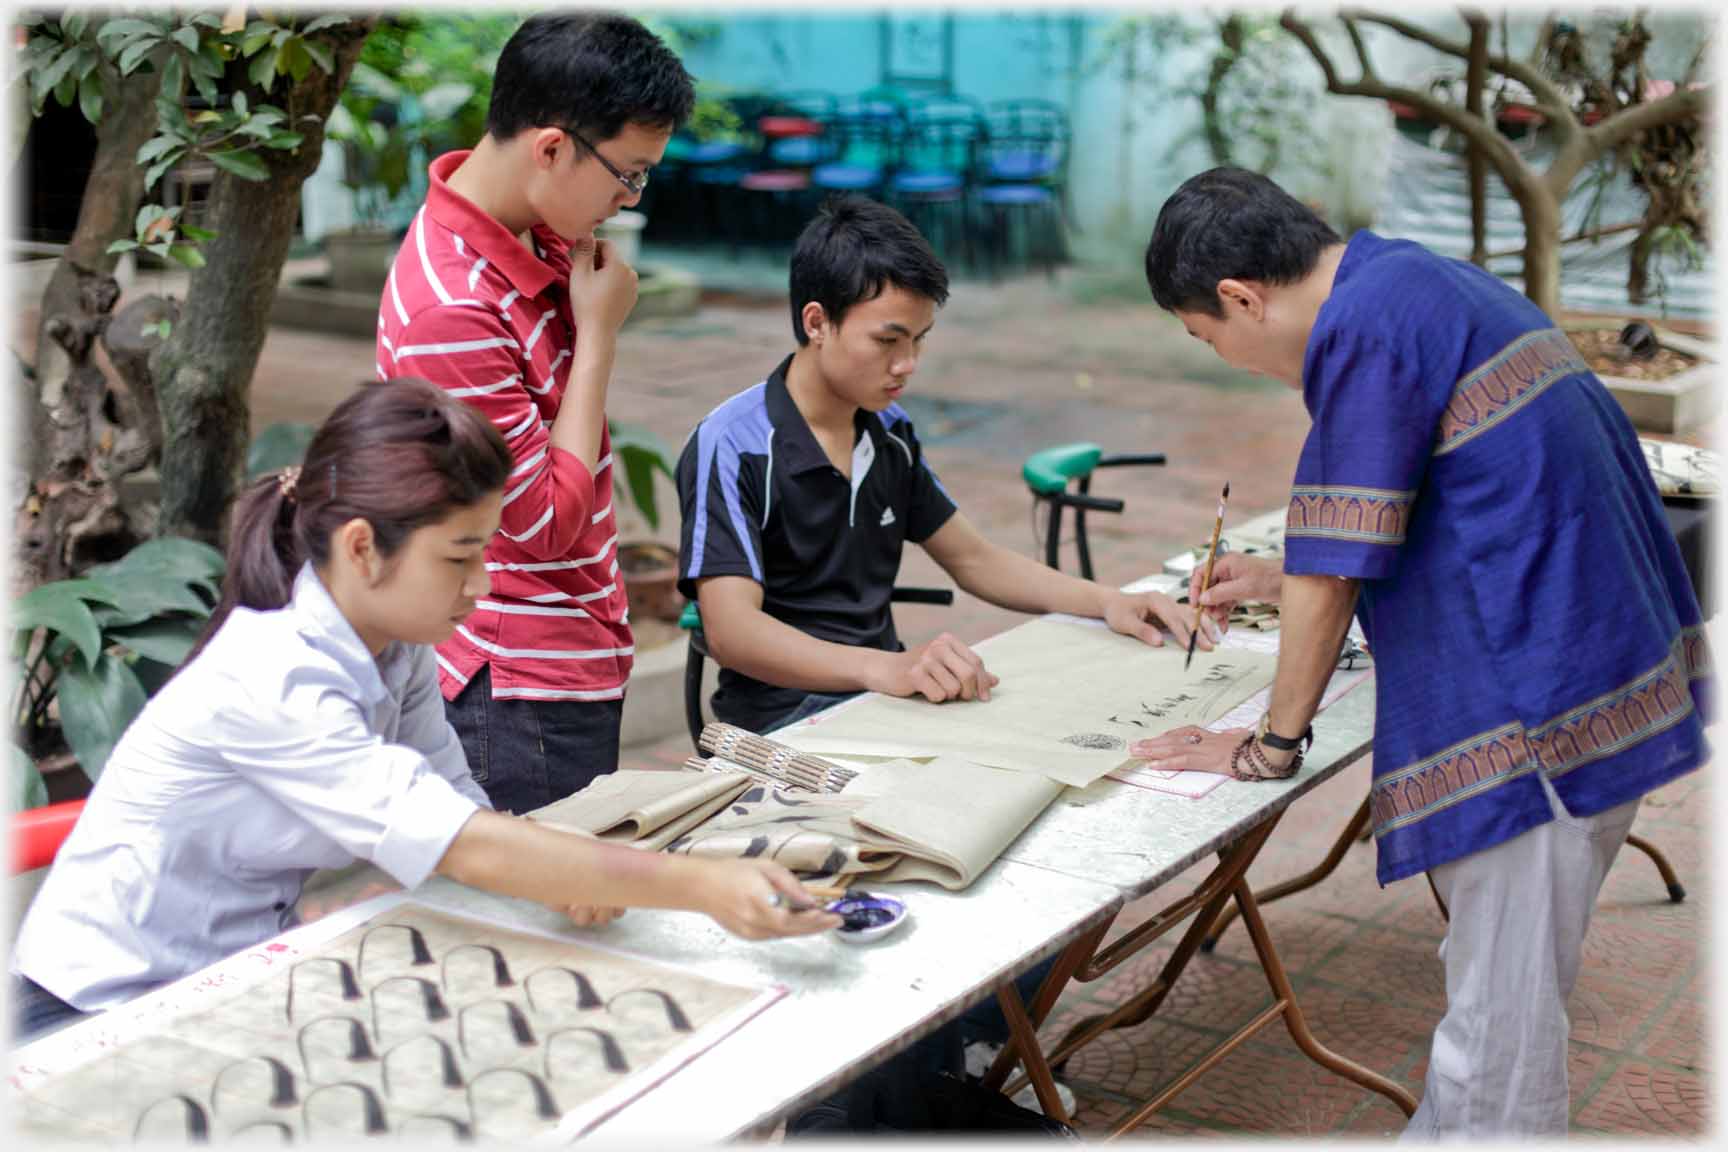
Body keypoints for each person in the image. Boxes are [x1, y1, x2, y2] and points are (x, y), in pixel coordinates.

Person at [1130, 167, 1709, 1138]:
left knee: (1501, 1041)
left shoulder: (1361, 332)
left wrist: (1270, 745)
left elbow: (1333, 573)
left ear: (1240, 299)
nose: (1228, 358)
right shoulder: (1413, 282)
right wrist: (1277, 577)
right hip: (1601, 675)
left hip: (1540, 716)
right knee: (1494, 1010)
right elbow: (1435, 498)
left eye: (1209, 338)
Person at [10, 379, 839, 1045]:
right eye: (460, 556)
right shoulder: (278, 673)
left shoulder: (393, 642)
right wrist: (695, 884)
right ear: (364, 546)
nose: (480, 586)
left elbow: (458, 810)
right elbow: (465, 848)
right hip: (97, 1011)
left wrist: (564, 875)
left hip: (229, 978)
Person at [676, 195, 1214, 737]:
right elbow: (731, 631)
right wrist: (884, 667)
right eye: (888, 340)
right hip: (780, 723)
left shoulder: (888, 430)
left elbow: (974, 559)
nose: (907, 364)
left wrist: (1109, 602)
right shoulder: (734, 444)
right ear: (817, 322)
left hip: (880, 701)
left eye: (919, 340)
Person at [377, 13, 695, 813]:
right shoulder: (451, 309)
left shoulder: (529, 229)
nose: (628, 200)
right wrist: (598, 341)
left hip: (564, 653)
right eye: (627, 174)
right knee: (550, 921)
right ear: (550, 147)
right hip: (518, 689)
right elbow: (543, 525)